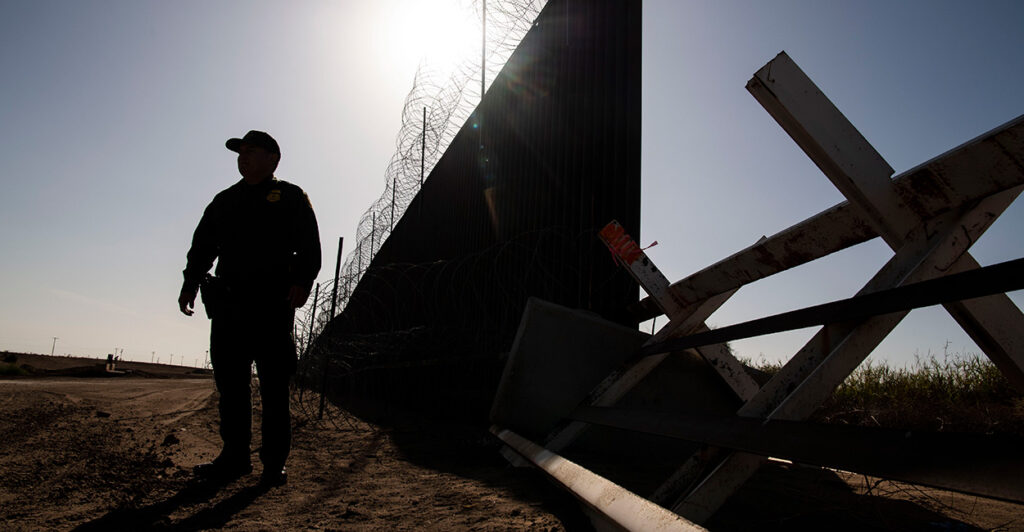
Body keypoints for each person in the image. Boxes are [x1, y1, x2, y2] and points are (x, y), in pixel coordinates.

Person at [178, 130, 321, 487]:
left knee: (274, 388)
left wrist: (302, 281)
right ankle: (234, 457)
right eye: (240, 153)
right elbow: (203, 245)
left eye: (251, 152)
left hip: (271, 305)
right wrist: (190, 282)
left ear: (273, 158)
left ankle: (274, 465)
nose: (243, 158)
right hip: (229, 305)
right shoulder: (225, 201)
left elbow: (309, 244)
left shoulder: (289, 196)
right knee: (231, 386)